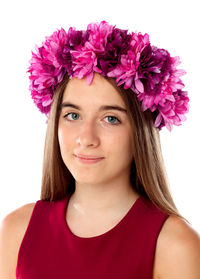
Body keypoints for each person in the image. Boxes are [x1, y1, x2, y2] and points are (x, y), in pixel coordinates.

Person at [0, 21, 200, 279]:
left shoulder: (174, 245)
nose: (86, 138)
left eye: (111, 119)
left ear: (140, 133)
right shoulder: (17, 230)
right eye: (73, 115)